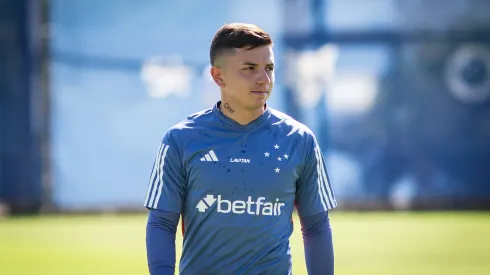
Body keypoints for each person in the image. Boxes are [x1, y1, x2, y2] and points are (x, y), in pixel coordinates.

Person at [144, 22, 337, 275]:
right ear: (218, 76)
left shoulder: (299, 139)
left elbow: (316, 227)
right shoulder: (181, 139)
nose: (264, 79)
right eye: (250, 68)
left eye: (269, 68)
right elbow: (162, 224)